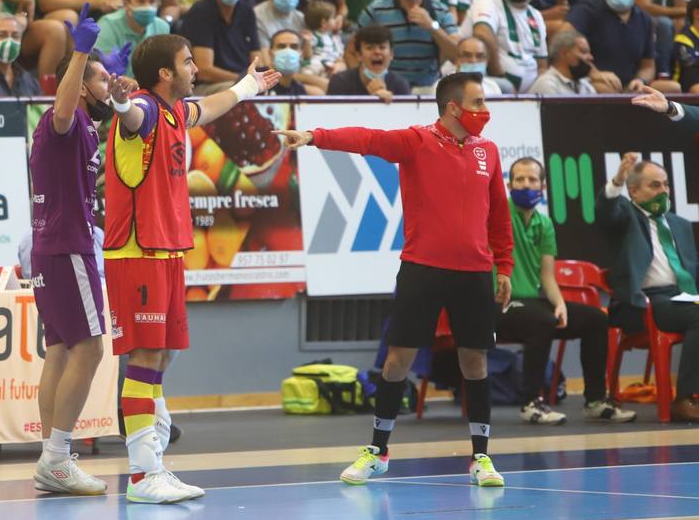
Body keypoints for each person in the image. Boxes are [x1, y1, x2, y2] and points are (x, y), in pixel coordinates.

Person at [275, 72, 512, 487]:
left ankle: (481, 458)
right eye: (477, 103)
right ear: (453, 107)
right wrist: (313, 136)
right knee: (397, 359)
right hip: (423, 268)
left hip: (475, 272)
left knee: (474, 362)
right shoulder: (416, 141)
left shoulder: (487, 152)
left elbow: (499, 215)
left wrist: (504, 267)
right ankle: (378, 451)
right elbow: (365, 138)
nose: (484, 112)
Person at [105, 34, 278, 502]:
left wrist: (248, 87)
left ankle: (154, 464)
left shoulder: (178, 111)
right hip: (137, 252)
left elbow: (214, 105)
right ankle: (142, 476)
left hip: (167, 252)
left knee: (159, 359)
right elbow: (132, 120)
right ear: (165, 73)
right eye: (187, 62)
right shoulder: (141, 108)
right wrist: (118, 106)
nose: (195, 68)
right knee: (142, 359)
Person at [29, 17, 120, 496]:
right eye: (102, 78)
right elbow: (63, 111)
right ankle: (58, 457)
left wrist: (111, 83)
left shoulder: (87, 124)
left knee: (61, 350)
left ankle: (52, 456)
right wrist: (82, 54)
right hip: (67, 247)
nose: (109, 84)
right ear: (81, 85)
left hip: (53, 247)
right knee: (90, 348)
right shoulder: (65, 119)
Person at [498, 156, 635, 426]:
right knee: (542, 319)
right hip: (499, 304)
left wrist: (560, 303)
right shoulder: (497, 215)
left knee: (595, 318)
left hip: (533, 303)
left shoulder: (544, 224)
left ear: (543, 186)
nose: (526, 184)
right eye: (520, 180)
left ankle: (595, 401)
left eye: (532, 179)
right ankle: (530, 403)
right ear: (509, 184)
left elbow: (547, 276)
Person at [595, 149, 699, 422]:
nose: (663, 191)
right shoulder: (625, 218)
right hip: (644, 301)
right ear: (634, 192)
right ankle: (684, 399)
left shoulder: (681, 224)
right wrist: (617, 179)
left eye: (665, 184)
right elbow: (605, 211)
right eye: (655, 185)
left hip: (684, 297)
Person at [358, 0, 459, 90]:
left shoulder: (441, 11)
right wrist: (363, 84)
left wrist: (432, 27)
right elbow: (352, 51)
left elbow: (457, 56)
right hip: (387, 89)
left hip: (428, 89)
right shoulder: (375, 10)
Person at [461, 0, 548, 92]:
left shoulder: (536, 16)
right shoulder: (488, 0)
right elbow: (483, 34)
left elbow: (542, 64)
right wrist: (500, 75)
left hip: (529, 92)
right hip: (494, 82)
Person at [566, 0, 659, 91]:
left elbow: (648, 66)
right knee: (607, 91)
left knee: (672, 88)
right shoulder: (588, 9)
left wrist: (640, 80)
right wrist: (594, 73)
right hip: (593, 81)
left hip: (630, 85)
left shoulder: (645, 19)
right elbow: (564, 41)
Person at [181, 0, 258, 88]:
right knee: (233, 90)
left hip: (242, 83)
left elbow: (257, 58)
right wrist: (244, 80)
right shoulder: (201, 11)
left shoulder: (247, 9)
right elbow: (204, 71)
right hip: (206, 87)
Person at [94, 0, 170, 72]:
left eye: (152, 1)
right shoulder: (107, 26)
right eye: (141, 1)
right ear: (126, 4)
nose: (147, 7)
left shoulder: (162, 27)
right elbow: (101, 72)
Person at [326, 24, 411, 101]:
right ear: (359, 55)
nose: (377, 52)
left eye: (382, 47)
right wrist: (371, 101)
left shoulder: (400, 84)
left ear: (391, 54)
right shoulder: (340, 82)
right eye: (370, 48)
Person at [527, 27, 601, 94]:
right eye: (583, 52)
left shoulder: (585, 86)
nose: (591, 57)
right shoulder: (547, 84)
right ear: (565, 53)